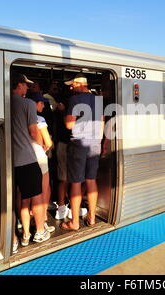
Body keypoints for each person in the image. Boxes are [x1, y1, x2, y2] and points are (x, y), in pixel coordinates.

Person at [60, 74, 104, 231]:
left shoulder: (74, 99)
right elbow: (102, 121)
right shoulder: (98, 99)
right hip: (95, 144)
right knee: (91, 180)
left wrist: (65, 114)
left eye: (72, 84)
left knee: (76, 182)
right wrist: (99, 141)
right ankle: (92, 218)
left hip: (79, 144)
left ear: (80, 84)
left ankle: (75, 223)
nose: (71, 87)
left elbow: (69, 125)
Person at [11, 73, 51, 247]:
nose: (27, 88)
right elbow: (34, 132)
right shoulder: (27, 104)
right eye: (26, 85)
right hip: (26, 159)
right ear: (19, 85)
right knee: (36, 198)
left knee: (20, 199)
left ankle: (23, 234)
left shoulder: (2, 101)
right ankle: (39, 232)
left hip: (8, 160)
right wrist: (41, 145)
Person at [27, 92, 56, 234]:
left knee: (27, 193)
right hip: (39, 156)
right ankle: (42, 220)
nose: (43, 105)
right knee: (44, 189)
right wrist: (45, 145)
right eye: (41, 103)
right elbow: (48, 142)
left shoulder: (20, 117)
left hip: (25, 158)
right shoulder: (39, 119)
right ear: (34, 104)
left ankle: (27, 224)